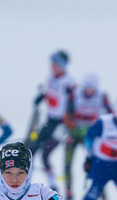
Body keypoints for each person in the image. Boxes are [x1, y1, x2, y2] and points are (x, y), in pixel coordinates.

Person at [28, 50, 77, 188]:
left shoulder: (68, 83)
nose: (53, 66)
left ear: (63, 66)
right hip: (50, 121)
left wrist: (71, 116)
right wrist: (41, 97)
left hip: (62, 124)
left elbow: (74, 102)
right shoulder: (50, 77)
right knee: (32, 149)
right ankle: (26, 180)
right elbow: (48, 91)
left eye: (56, 64)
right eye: (52, 63)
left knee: (45, 154)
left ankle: (53, 185)